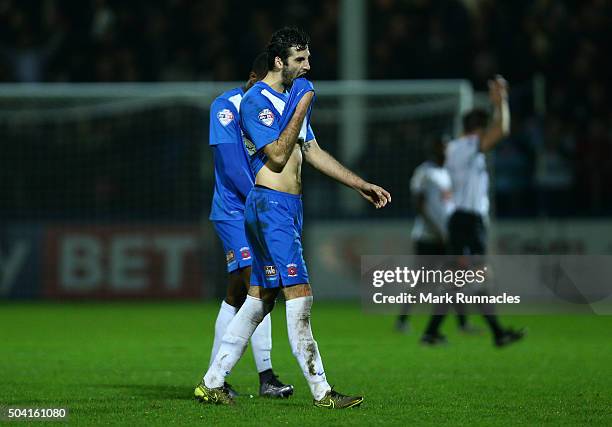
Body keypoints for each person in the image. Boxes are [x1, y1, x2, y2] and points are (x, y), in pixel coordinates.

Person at [195, 27, 391, 408]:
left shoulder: (288, 96)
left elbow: (312, 151)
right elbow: (279, 155)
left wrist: (359, 183)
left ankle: (212, 382)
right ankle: (323, 392)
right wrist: (302, 102)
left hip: (286, 208)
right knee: (299, 295)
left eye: (308, 58)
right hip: (269, 207)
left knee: (261, 298)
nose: (308, 66)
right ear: (279, 62)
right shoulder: (256, 101)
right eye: (300, 60)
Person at [206, 52, 293, 398]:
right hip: (233, 211)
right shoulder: (226, 106)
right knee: (261, 286)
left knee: (236, 293)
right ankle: (266, 376)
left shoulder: (267, 111)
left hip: (256, 211)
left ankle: (216, 378)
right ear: (255, 77)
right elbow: (229, 164)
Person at [423, 75, 524, 347]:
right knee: (475, 279)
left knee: (459, 281)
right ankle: (496, 334)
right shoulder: (466, 146)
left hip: (465, 221)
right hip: (468, 220)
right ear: (477, 130)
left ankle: (435, 332)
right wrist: (501, 101)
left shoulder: (460, 149)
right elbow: (501, 129)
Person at [395, 137, 473, 339]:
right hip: (428, 237)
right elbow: (419, 205)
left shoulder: (450, 173)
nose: (447, 151)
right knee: (422, 282)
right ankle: (402, 321)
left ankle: (463, 324)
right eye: (443, 147)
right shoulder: (424, 172)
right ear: (435, 149)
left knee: (455, 279)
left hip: (447, 236)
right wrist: (437, 231)